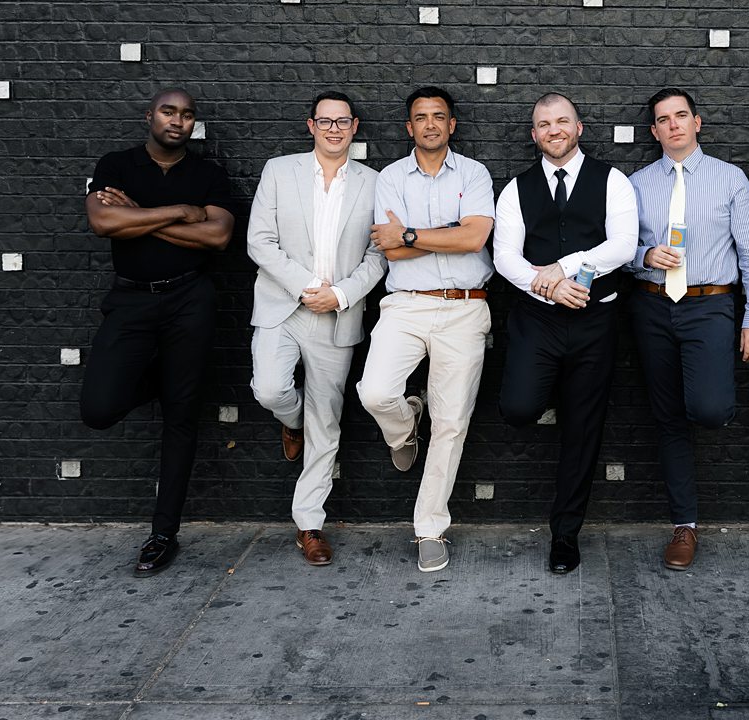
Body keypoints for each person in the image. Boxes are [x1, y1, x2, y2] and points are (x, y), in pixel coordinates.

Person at [81, 88, 235, 576]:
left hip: (190, 298)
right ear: (150, 115)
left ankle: (163, 532)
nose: (179, 121)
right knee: (99, 408)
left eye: (188, 115)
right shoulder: (117, 164)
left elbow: (218, 236)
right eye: (170, 111)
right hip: (130, 301)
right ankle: (157, 381)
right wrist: (180, 212)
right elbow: (103, 221)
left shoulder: (207, 173)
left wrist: (139, 215)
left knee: (181, 416)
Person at [625, 88, 749, 571]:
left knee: (708, 409)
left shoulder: (730, 180)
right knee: (666, 420)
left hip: (710, 306)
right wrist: (644, 256)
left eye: (681, 116)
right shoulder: (637, 183)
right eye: (663, 120)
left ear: (697, 123)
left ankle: (703, 402)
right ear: (653, 131)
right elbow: (617, 247)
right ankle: (683, 525)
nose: (673, 126)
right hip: (651, 307)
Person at [493, 93, 638, 575]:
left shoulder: (612, 181)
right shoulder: (515, 189)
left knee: (583, 430)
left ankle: (565, 534)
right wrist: (553, 287)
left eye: (562, 121)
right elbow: (505, 257)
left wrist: (567, 267)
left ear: (580, 127)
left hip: (597, 320)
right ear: (533, 135)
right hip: (538, 319)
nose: (553, 130)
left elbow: (622, 245)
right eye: (543, 124)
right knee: (517, 409)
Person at [246, 92, 387, 567]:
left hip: (337, 314)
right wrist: (309, 286)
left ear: (354, 127)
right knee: (269, 388)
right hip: (283, 307)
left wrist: (342, 295)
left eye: (341, 121)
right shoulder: (278, 171)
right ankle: (290, 420)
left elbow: (379, 254)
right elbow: (258, 242)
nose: (333, 129)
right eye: (324, 121)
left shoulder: (374, 183)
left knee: (325, 423)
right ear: (310, 126)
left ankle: (309, 524)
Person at [358, 86, 495, 573]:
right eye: (421, 117)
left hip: (464, 309)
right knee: (374, 392)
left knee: (452, 421)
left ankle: (430, 526)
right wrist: (448, 234)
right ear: (409, 128)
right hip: (406, 307)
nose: (431, 124)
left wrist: (414, 233)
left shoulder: (475, 174)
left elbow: (476, 237)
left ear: (452, 125)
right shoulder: (391, 178)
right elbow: (390, 250)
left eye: (440, 116)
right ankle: (402, 425)